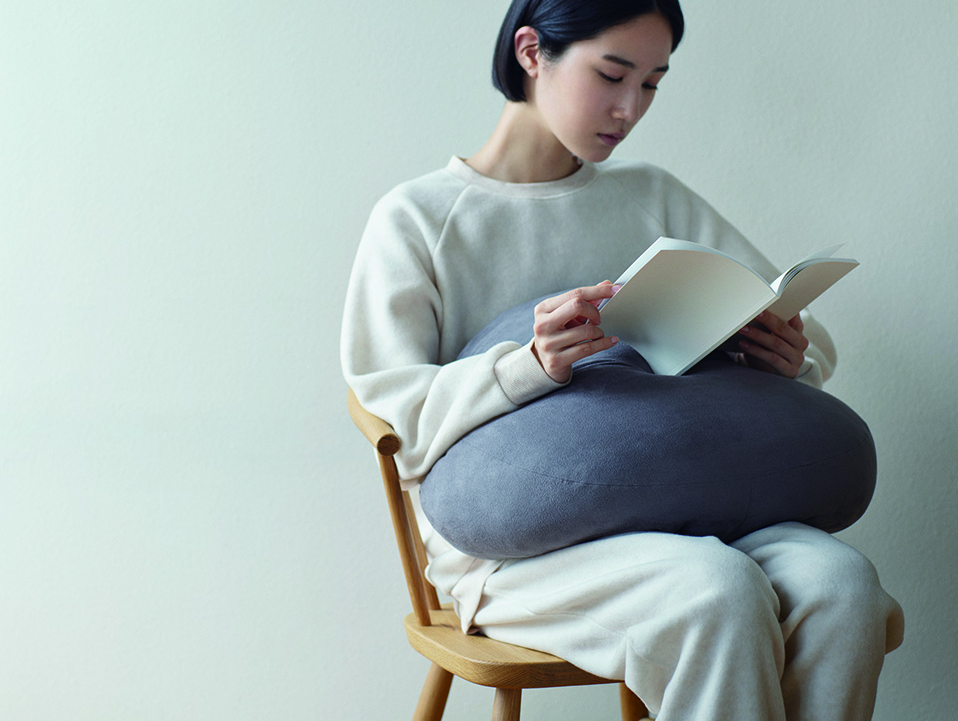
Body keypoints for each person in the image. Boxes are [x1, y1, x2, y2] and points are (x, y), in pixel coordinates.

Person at [341, 1, 904, 718]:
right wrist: (529, 366)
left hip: (690, 503)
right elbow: (396, 416)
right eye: (611, 75)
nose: (628, 107)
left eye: (651, 84)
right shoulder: (418, 217)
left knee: (840, 585)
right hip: (515, 547)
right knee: (712, 590)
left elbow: (802, 330)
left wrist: (789, 355)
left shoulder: (652, 197)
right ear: (529, 51)